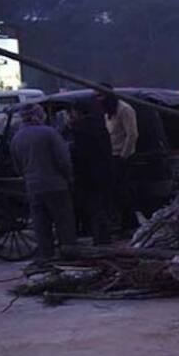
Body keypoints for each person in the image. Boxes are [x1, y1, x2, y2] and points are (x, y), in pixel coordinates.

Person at [10, 102, 77, 260]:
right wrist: (69, 176)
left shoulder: (17, 138)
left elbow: (17, 166)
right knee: (64, 223)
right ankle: (69, 255)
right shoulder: (49, 133)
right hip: (56, 185)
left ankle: (46, 256)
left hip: (33, 187)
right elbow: (63, 160)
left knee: (41, 225)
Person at [65, 97, 114, 245]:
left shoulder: (79, 129)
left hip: (88, 176)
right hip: (104, 172)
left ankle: (100, 240)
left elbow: (80, 154)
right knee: (103, 207)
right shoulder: (100, 125)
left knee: (94, 209)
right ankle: (104, 237)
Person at [102, 89, 139, 232]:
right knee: (116, 193)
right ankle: (122, 224)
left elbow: (132, 134)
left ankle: (130, 225)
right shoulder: (108, 112)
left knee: (124, 193)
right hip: (111, 156)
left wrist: (124, 155)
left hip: (123, 157)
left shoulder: (125, 109)